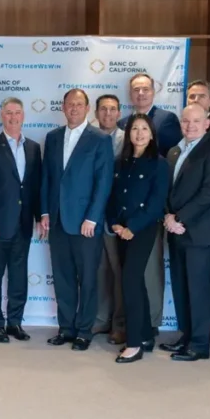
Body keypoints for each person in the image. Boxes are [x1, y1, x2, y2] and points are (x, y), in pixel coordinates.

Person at [40, 88, 113, 351]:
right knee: (63, 278)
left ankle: (84, 330)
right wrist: (45, 212)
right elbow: (47, 178)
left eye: (79, 104)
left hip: (85, 223)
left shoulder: (100, 139)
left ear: (87, 109)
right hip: (58, 221)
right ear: (63, 107)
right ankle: (67, 328)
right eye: (70, 104)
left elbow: (103, 183)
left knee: (88, 280)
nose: (74, 108)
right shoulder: (53, 137)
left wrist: (92, 218)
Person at [160, 103, 210, 362]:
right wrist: (169, 217)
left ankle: (200, 343)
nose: (190, 126)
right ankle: (187, 335)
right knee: (181, 287)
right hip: (176, 230)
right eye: (185, 121)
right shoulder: (175, 151)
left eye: (195, 121)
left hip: (199, 232)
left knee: (199, 290)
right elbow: (168, 189)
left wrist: (180, 218)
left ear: (206, 123)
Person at [118, 73, 181, 334]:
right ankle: (137, 326)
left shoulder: (168, 120)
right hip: (125, 219)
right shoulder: (122, 123)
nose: (141, 93)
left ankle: (150, 326)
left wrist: (136, 223)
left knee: (149, 274)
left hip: (151, 214)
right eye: (136, 89)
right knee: (130, 277)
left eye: (145, 89)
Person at [0, 98, 42, 344]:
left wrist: (39, 216)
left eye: (17, 112)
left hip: (23, 224)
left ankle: (15, 322)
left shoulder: (34, 148)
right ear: (1, 116)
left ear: (23, 115)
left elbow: (35, 187)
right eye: (9, 113)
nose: (13, 117)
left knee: (18, 276)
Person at [107, 114, 169, 364]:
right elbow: (112, 196)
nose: (139, 133)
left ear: (152, 134)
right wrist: (114, 222)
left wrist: (132, 226)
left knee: (130, 280)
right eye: (135, 129)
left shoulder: (159, 163)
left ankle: (133, 343)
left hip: (142, 229)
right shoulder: (120, 162)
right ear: (128, 133)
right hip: (120, 229)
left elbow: (156, 202)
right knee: (134, 281)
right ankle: (144, 335)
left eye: (145, 129)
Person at [91, 94, 127, 345]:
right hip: (93, 216)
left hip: (117, 217)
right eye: (103, 109)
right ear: (96, 112)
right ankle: (100, 319)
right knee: (98, 271)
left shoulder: (128, 138)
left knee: (119, 273)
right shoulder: (88, 137)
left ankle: (120, 324)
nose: (108, 113)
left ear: (119, 112)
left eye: (113, 109)